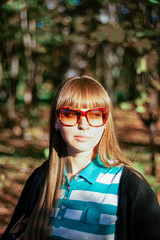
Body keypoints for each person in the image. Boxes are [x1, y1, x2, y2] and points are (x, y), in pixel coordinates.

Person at [1, 75, 160, 240]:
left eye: (95, 115)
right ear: (56, 121)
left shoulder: (130, 186)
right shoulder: (40, 179)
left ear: (105, 122)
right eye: (70, 114)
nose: (83, 125)